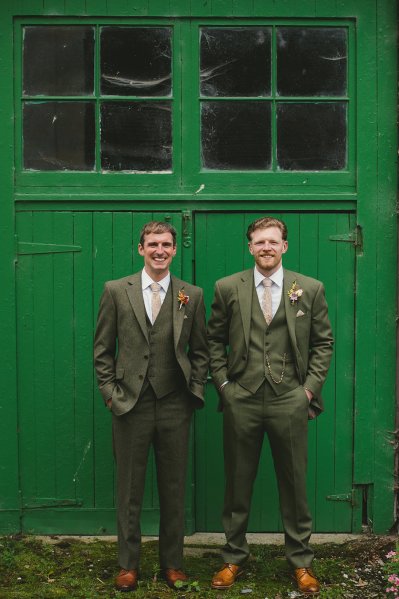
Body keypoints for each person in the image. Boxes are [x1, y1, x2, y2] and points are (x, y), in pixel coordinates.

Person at [207, 217, 334, 594]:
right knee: (237, 482)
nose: (266, 247)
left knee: (294, 483)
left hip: (289, 398)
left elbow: (323, 343)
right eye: (259, 241)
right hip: (241, 397)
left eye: (273, 241)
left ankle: (301, 562)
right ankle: (233, 558)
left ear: (284, 246)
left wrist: (308, 391)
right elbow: (213, 341)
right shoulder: (228, 287)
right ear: (250, 247)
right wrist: (225, 386)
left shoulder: (308, 288)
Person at [94, 221, 208, 592]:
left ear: (175, 250)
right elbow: (102, 350)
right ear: (140, 248)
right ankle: (128, 565)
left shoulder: (191, 293)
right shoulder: (116, 291)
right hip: (130, 404)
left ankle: (173, 564)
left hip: (175, 404)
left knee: (173, 488)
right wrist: (111, 393)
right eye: (153, 244)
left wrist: (194, 391)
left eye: (167, 245)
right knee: (129, 489)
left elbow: (202, 351)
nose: (160, 250)